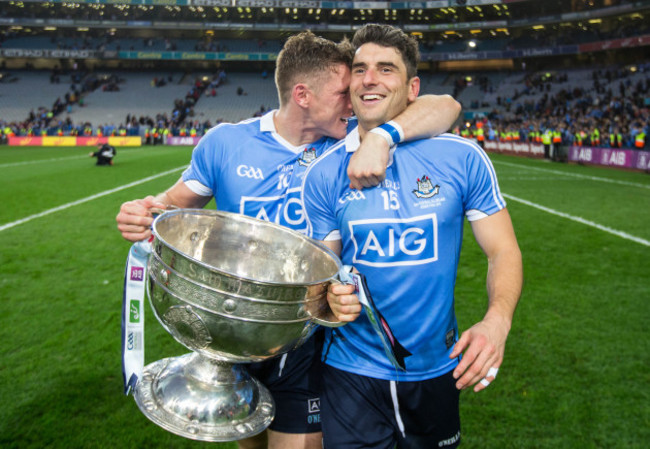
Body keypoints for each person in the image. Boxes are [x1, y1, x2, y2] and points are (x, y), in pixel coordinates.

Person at [116, 31, 460, 449]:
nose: (353, 99)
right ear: (303, 95)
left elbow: (445, 106)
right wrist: (142, 212)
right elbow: (169, 207)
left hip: (305, 343)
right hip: (237, 335)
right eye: (341, 91)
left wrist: (385, 137)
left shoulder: (349, 138)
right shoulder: (227, 143)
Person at [301, 24, 523, 449]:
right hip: (352, 373)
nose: (370, 78)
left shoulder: (461, 157)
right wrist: (328, 299)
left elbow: (503, 250)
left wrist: (498, 322)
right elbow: (320, 277)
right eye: (361, 69)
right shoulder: (323, 174)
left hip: (437, 369)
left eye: (387, 69)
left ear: (412, 87)